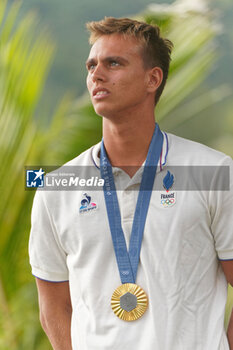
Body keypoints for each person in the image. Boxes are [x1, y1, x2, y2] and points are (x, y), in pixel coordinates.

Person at [29, 17, 233, 350]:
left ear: (153, 78)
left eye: (114, 63)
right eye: (91, 65)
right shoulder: (56, 187)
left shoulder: (214, 172)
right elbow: (53, 305)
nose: (96, 74)